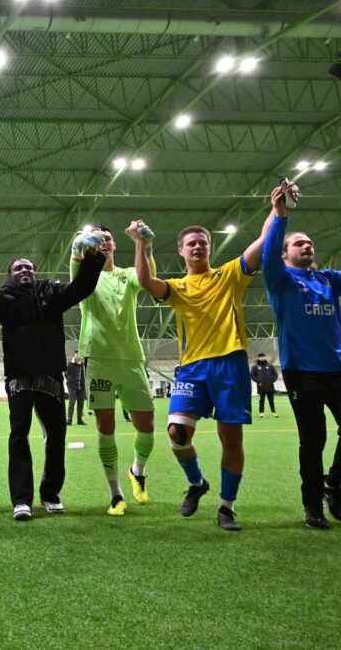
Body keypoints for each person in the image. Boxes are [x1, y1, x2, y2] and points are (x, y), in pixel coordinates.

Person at [134, 212, 274, 531]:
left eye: (202, 243)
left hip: (230, 364)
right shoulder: (177, 287)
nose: (197, 247)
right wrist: (140, 243)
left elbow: (264, 241)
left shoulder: (230, 274)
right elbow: (145, 281)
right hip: (192, 368)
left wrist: (276, 212)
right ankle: (197, 483)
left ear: (209, 247)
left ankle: (226, 507)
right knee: (177, 433)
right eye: (191, 244)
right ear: (181, 251)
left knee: (231, 438)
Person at [0, 240, 104, 521]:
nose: (24, 270)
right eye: (18, 268)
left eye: (28, 267)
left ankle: (50, 494)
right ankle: (21, 500)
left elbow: (81, 288)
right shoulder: (4, 299)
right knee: (19, 436)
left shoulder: (51, 293)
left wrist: (93, 259)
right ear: (10, 275)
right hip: (19, 378)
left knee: (56, 435)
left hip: (50, 378)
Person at [261, 184, 341, 528]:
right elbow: (267, 253)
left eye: (310, 242)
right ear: (285, 254)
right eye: (299, 243)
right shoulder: (280, 279)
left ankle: (332, 484)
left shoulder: (328, 279)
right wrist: (281, 214)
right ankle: (312, 505)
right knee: (314, 442)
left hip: (340, 371)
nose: (307, 245)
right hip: (303, 373)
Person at [71, 223, 158, 516]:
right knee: (105, 426)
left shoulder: (128, 274)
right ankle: (115, 494)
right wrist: (78, 246)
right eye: (98, 239)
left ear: (115, 244)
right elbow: (75, 265)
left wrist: (145, 246)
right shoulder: (87, 278)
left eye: (108, 238)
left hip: (131, 359)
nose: (104, 242)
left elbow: (147, 279)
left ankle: (137, 470)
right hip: (98, 360)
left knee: (146, 426)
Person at [251, 353, 279, 418]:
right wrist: (258, 381)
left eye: (263, 356)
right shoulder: (255, 367)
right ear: (258, 358)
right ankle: (261, 413)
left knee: (271, 400)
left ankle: (274, 412)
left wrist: (272, 381)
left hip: (270, 386)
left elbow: (275, 375)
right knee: (261, 400)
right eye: (260, 357)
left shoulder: (270, 366)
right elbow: (252, 376)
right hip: (261, 386)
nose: (262, 358)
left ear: (265, 357)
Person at [65, 352, 86, 426]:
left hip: (81, 387)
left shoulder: (83, 364)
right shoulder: (70, 364)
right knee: (71, 403)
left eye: (79, 354)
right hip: (72, 387)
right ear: (74, 354)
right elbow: (66, 374)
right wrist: (70, 382)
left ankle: (79, 420)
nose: (78, 355)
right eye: (77, 354)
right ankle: (69, 419)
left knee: (81, 404)